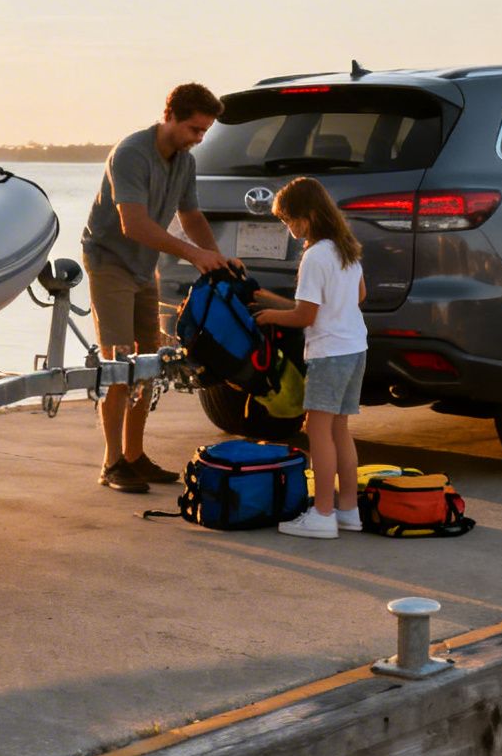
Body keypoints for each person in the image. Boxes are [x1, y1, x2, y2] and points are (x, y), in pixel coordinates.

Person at [81, 82, 236, 493]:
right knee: (119, 364)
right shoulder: (131, 153)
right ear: (170, 116)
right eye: (194, 129)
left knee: (147, 363)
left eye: (204, 132)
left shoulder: (184, 161)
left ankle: (134, 456)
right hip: (109, 262)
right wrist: (192, 256)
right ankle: (112, 463)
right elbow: (133, 224)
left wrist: (215, 257)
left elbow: (191, 215)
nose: (198, 139)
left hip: (143, 267)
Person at [250, 177, 367, 538]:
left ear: (310, 215)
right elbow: (359, 295)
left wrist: (269, 316)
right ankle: (348, 509)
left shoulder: (314, 256)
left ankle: (322, 513)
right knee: (340, 430)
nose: (289, 229)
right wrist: (277, 301)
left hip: (328, 354)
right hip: (355, 348)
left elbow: (305, 317)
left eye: (290, 220)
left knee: (317, 432)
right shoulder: (346, 249)